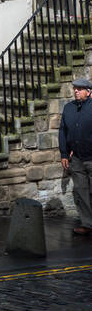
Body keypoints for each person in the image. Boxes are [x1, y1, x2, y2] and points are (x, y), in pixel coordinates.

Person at [59, 75, 92, 236]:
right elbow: (62, 131)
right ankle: (87, 224)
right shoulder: (68, 108)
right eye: (75, 89)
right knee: (81, 190)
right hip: (77, 158)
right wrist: (64, 153)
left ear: (89, 92)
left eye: (80, 89)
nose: (76, 91)